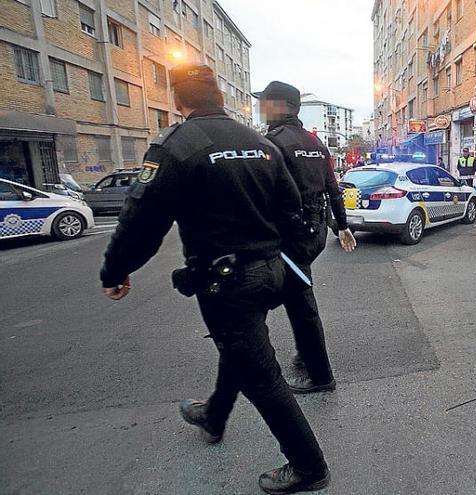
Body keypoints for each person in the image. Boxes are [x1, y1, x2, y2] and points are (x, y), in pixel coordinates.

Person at [99, 64, 330, 494]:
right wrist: (286, 263)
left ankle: (308, 466)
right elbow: (291, 208)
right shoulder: (258, 143)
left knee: (261, 373)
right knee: (240, 346)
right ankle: (214, 415)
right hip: (269, 273)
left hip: (227, 283)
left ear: (178, 102)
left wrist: (115, 270)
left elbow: (141, 220)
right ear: (221, 98)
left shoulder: (176, 145)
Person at [258, 81, 357, 394]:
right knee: (295, 295)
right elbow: (333, 189)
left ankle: (321, 376)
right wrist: (342, 226)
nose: (261, 106)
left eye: (265, 101)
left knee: (301, 303)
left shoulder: (272, 143)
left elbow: (266, 193)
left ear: (279, 105)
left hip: (289, 236)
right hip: (316, 233)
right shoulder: (316, 144)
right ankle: (304, 354)